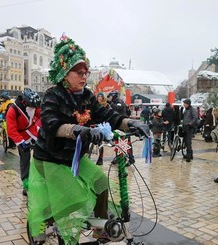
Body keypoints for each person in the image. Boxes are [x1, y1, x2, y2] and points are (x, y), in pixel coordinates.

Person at [27, 35, 150, 244]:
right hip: (49, 158)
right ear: (65, 74)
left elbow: (108, 115)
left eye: (86, 72)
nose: (84, 76)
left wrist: (131, 124)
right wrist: (79, 130)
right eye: (79, 72)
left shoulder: (87, 96)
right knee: (74, 200)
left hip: (72, 158)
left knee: (101, 182)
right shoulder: (52, 95)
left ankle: (99, 230)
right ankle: (52, 227)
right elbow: (51, 125)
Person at [6, 88, 41, 196]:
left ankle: (41, 181)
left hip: (33, 131)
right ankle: (26, 185)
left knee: (41, 157)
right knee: (25, 161)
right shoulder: (13, 110)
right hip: (21, 136)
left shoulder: (35, 106)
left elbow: (42, 116)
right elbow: (11, 130)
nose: (34, 109)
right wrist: (21, 143)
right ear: (25, 102)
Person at [95, 92, 108, 165]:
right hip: (94, 124)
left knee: (100, 143)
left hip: (101, 125)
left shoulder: (105, 105)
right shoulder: (94, 105)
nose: (99, 98)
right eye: (98, 96)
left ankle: (100, 158)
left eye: (101, 96)